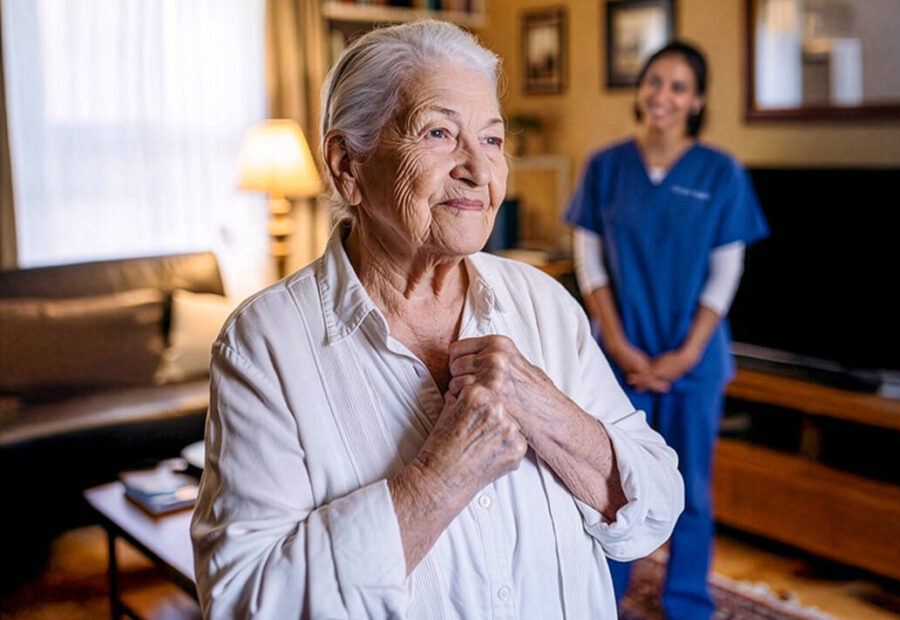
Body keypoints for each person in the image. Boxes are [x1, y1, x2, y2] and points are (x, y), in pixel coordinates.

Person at [191, 20, 684, 619]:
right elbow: (247, 602)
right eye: (439, 133)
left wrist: (546, 408)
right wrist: (438, 480)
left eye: (493, 140)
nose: (480, 170)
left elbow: (652, 513)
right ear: (348, 164)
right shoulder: (263, 345)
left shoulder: (544, 302)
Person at [564, 41, 769, 620]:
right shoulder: (605, 167)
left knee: (693, 491)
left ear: (697, 100)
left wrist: (687, 353)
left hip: (694, 363)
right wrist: (621, 344)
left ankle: (686, 603)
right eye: (655, 81)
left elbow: (727, 271)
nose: (663, 95)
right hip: (617, 359)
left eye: (679, 87)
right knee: (610, 485)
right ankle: (603, 598)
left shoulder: (720, 172)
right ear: (641, 88)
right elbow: (592, 265)